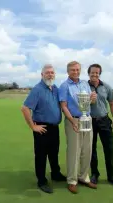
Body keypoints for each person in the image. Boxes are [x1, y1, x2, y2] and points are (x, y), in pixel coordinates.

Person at [21, 64, 66, 194]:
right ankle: (41, 180)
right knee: (41, 156)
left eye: (52, 72)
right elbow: (25, 108)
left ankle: (55, 174)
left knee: (54, 153)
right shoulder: (37, 89)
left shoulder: (56, 89)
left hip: (54, 128)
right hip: (42, 128)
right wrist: (33, 126)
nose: (50, 74)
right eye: (47, 73)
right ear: (42, 75)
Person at [58, 61, 97, 194]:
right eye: (73, 70)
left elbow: (89, 102)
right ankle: (72, 180)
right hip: (73, 120)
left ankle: (83, 177)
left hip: (87, 119)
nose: (75, 72)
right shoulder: (64, 86)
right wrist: (72, 121)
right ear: (68, 71)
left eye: (77, 69)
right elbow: (63, 106)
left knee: (87, 150)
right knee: (74, 151)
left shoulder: (85, 84)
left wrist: (93, 98)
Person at [87, 63, 113, 189]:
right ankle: (94, 174)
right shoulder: (84, 86)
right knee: (92, 150)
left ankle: (112, 176)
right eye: (92, 72)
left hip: (104, 120)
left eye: (97, 72)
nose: (95, 74)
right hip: (89, 121)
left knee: (109, 149)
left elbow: (112, 103)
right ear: (89, 73)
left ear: (99, 74)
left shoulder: (106, 87)